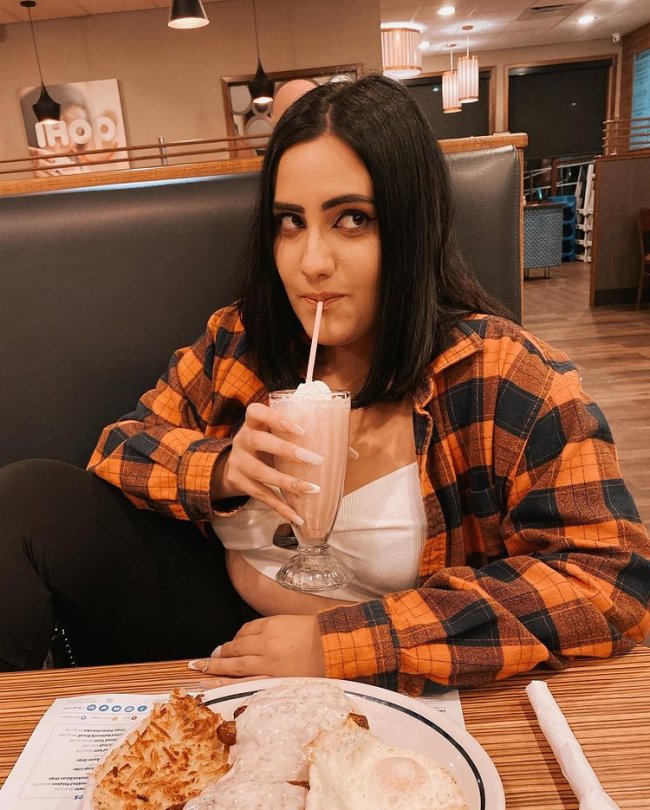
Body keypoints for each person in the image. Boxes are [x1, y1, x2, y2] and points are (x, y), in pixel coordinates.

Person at [1, 76, 648, 695]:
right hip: (217, 628)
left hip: (401, 665)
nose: (311, 261)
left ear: (411, 225)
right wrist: (223, 469)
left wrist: (339, 647)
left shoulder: (500, 375)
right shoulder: (245, 339)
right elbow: (117, 449)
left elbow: (612, 581)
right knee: (27, 495)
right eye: (290, 221)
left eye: (352, 220)